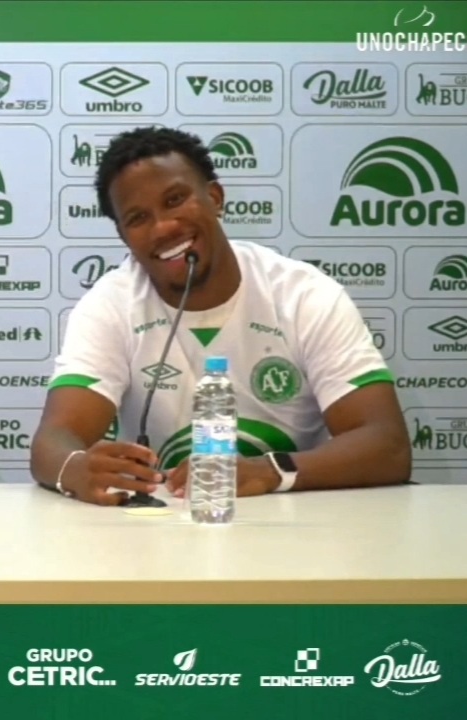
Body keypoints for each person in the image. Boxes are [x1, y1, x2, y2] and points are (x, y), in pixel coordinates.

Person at [30, 126, 411, 505]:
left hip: (292, 519)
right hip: (163, 523)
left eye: (175, 200)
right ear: (124, 236)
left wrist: (269, 471)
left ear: (214, 198)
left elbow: (387, 445)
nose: (163, 227)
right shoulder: (110, 303)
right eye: (137, 218)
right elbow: (54, 438)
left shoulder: (304, 294)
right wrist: (75, 469)